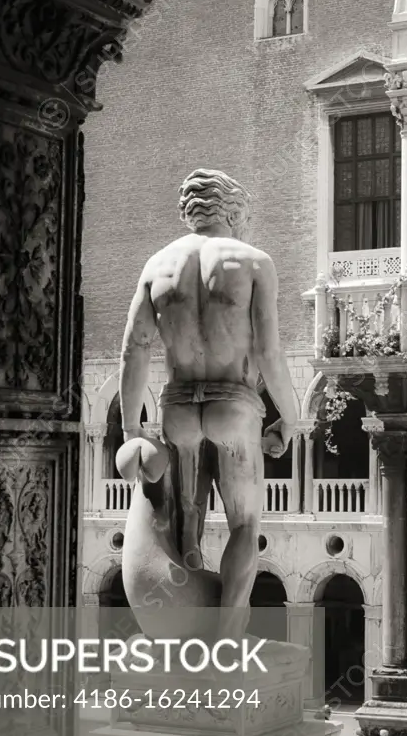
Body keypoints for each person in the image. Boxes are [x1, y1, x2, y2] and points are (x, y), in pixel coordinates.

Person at [117, 168, 297, 643]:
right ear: (234, 211)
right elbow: (269, 353)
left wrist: (130, 427)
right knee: (243, 525)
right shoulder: (253, 261)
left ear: (189, 211)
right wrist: (291, 418)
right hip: (233, 404)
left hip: (177, 404)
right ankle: (227, 640)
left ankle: (185, 626)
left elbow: (135, 347)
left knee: (185, 524)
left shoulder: (157, 265)